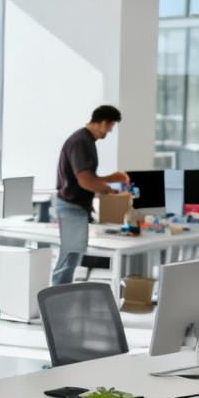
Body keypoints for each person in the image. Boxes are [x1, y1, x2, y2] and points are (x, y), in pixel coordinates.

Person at [51, 106, 130, 286]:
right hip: (72, 207)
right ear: (104, 122)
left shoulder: (84, 139)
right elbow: (85, 181)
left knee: (71, 258)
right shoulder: (82, 141)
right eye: (111, 126)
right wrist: (111, 191)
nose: (110, 130)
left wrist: (110, 179)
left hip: (74, 207)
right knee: (68, 260)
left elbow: (85, 177)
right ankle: (55, 306)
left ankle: (58, 302)